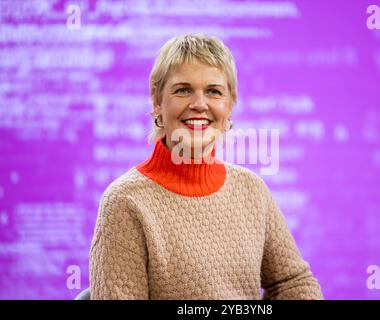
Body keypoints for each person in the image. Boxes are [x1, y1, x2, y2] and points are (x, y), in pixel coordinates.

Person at [89, 34, 324, 300]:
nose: (199, 104)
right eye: (183, 90)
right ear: (156, 100)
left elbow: (295, 284)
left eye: (213, 91)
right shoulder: (124, 202)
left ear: (230, 104)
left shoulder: (251, 189)